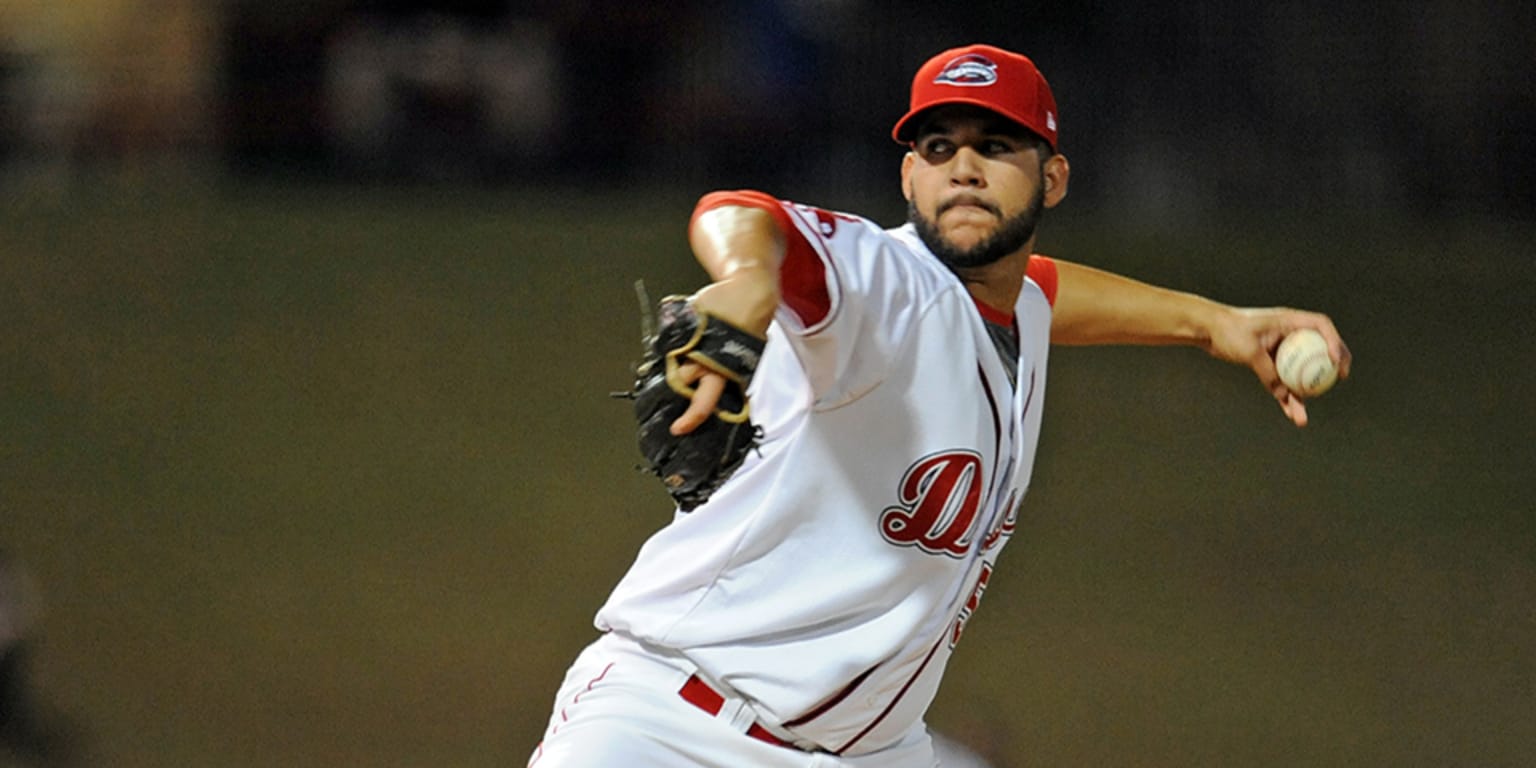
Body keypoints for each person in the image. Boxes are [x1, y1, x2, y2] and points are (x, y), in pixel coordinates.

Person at [527, 43, 1351, 767]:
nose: (964, 166)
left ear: (1052, 177)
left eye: (996, 146)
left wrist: (1216, 325)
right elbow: (745, 214)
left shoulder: (1011, 304)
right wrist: (747, 278)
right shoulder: (884, 282)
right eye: (938, 146)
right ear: (907, 175)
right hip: (673, 725)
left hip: (872, 751)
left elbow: (1042, 292)